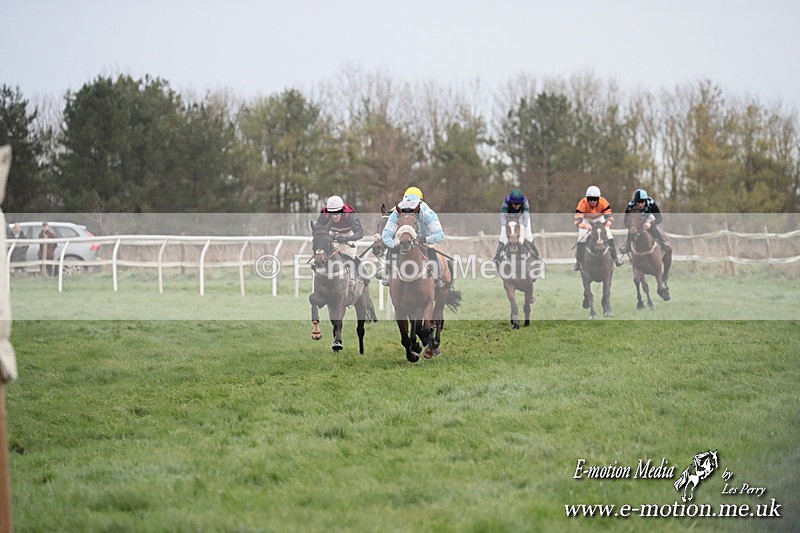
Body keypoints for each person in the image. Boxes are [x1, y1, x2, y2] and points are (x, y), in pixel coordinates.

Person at [381, 190, 446, 288]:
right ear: (421, 199)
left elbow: (385, 236)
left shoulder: (424, 211)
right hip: (406, 238)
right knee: (431, 248)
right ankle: (437, 279)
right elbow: (441, 235)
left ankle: (387, 273)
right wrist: (396, 244)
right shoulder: (426, 211)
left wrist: (424, 239)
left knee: (392, 248)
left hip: (422, 239)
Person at [313, 195, 369, 285]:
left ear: (342, 210)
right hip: (332, 232)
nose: (334, 217)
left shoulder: (350, 214)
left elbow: (360, 233)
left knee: (349, 255)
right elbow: (318, 229)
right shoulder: (324, 213)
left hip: (348, 233)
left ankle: (359, 276)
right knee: (327, 254)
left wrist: (346, 239)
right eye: (332, 214)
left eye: (337, 213)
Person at [573, 185, 624, 271]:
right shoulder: (582, 203)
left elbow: (610, 218)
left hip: (599, 219)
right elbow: (577, 222)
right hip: (586, 220)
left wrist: (607, 224)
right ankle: (578, 262)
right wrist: (586, 226)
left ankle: (616, 259)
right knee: (582, 238)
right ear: (587, 198)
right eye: (590, 199)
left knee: (609, 235)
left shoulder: (604, 202)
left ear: (599, 198)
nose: (593, 201)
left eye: (595, 199)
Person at [492, 188, 541, 264]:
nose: (517, 206)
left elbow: (525, 216)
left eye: (519, 204)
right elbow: (502, 216)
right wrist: (505, 225)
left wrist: (522, 227)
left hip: (522, 220)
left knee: (528, 237)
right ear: (511, 202)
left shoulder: (525, 202)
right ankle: (497, 257)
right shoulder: (506, 201)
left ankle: (536, 256)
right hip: (508, 221)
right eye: (515, 204)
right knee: (502, 238)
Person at [619, 189, 670, 254]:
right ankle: (627, 246)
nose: (640, 205)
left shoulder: (651, 203)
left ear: (646, 201)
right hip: (636, 221)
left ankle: (662, 242)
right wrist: (632, 226)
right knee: (632, 228)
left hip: (647, 217)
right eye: (638, 202)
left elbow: (659, 219)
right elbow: (625, 221)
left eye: (642, 202)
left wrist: (651, 224)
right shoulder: (631, 205)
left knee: (653, 227)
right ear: (635, 201)